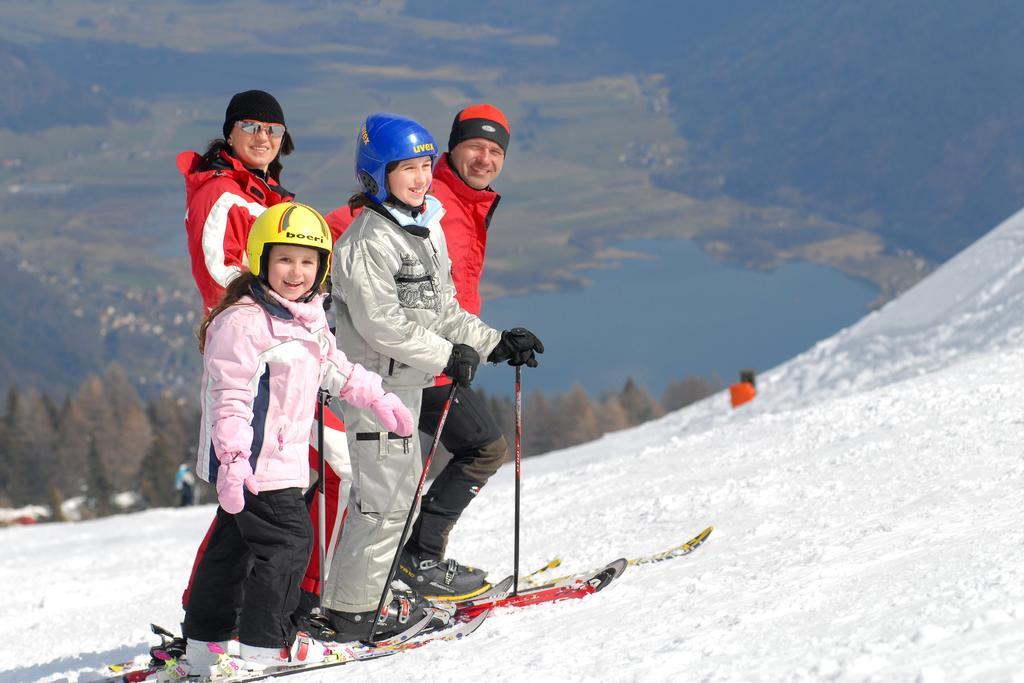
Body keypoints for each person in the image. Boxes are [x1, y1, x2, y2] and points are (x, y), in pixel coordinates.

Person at [318, 112, 542, 641]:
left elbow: (444, 311)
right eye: (406, 169)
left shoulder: (425, 226)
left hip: (409, 388)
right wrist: (447, 356)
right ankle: (354, 613)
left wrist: (495, 343)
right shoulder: (368, 240)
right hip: (376, 390)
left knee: (396, 501)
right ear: (376, 174)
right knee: (380, 505)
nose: (421, 178)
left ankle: (369, 598)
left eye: (424, 166)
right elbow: (382, 325)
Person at [181, 202, 414, 672]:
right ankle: (270, 644)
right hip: (254, 462)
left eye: (308, 261)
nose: (296, 271)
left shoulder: (303, 317)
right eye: (285, 258)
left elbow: (333, 367)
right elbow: (229, 397)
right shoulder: (244, 322)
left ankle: (206, 642)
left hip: (275, 459)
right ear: (262, 258)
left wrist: (379, 398)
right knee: (288, 542)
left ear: (321, 267)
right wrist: (232, 460)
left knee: (235, 545)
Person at [176, 90, 353, 618]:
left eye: (272, 129)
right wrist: (288, 315)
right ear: (229, 132)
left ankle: (236, 608)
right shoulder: (222, 194)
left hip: (287, 357)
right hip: (254, 363)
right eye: (250, 126)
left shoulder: (269, 195)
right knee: (319, 468)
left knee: (259, 492)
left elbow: (298, 256)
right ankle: (301, 599)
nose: (261, 137)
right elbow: (218, 276)